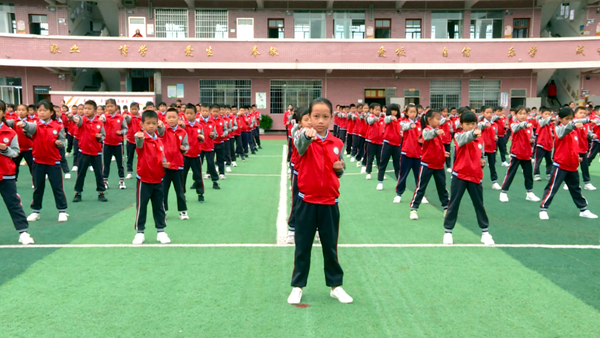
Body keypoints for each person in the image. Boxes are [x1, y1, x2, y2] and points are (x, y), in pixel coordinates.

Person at [288, 97, 352, 305]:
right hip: (306, 202)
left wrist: (340, 169)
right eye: (316, 116)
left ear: (331, 118)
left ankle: (336, 287)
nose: (321, 121)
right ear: (309, 118)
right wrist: (307, 135)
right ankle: (298, 286)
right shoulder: (303, 137)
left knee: (330, 247)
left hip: (330, 203)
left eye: (325, 117)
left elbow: (340, 170)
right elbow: (299, 144)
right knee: (302, 246)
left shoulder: (337, 143)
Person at [443, 111, 494, 245]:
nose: (471, 126)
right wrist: (473, 133)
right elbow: (465, 138)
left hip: (475, 176)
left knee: (479, 205)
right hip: (459, 175)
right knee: (454, 203)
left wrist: (482, 161)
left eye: (473, 124)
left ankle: (485, 232)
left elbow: (482, 155)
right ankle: (448, 232)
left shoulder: (480, 139)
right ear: (461, 125)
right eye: (467, 124)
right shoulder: (459, 136)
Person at [539, 107, 598, 220]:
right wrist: (579, 122)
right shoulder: (558, 129)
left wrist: (576, 158)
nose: (569, 121)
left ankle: (583, 209)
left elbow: (573, 147)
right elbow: (564, 132)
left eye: (571, 119)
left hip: (572, 165)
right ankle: (543, 209)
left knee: (576, 188)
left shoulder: (574, 132)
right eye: (567, 119)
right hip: (560, 165)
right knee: (552, 188)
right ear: (560, 119)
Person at [17, 100, 69, 223]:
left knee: (57, 187)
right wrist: (23, 125)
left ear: (51, 112)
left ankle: (62, 211)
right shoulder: (35, 125)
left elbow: (63, 142)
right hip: (38, 162)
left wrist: (60, 143)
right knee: (38, 187)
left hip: (54, 162)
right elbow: (29, 127)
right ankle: (36, 211)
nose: (41, 113)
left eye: (44, 110)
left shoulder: (58, 127)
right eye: (39, 110)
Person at [132, 110, 171, 245]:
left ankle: (161, 231)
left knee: (159, 206)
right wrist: (138, 136)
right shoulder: (142, 139)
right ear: (142, 124)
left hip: (158, 179)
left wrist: (164, 164)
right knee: (142, 206)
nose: (151, 126)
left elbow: (162, 156)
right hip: (144, 179)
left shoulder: (159, 141)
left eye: (154, 123)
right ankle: (140, 232)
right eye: (148, 123)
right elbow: (138, 142)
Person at [0, 100, 34, 245]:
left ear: (3, 113)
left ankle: (23, 232)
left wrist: (5, 149)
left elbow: (15, 153)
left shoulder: (10, 132)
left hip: (6, 174)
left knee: (13, 203)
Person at [409, 109, 449, 220]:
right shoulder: (427, 130)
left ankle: (446, 208)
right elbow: (427, 137)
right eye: (437, 119)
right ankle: (414, 209)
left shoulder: (437, 131)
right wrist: (436, 132)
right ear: (429, 119)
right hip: (427, 164)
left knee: (442, 188)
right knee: (421, 187)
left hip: (439, 164)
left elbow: (437, 147)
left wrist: (443, 153)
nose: (439, 121)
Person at [499, 106, 540, 203]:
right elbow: (517, 128)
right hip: (516, 153)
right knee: (511, 173)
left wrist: (532, 140)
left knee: (528, 174)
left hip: (526, 154)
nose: (522, 115)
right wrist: (525, 124)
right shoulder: (514, 124)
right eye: (520, 113)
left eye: (524, 113)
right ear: (516, 115)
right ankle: (503, 192)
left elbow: (532, 137)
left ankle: (529, 193)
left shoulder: (529, 126)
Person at [70, 100, 107, 203]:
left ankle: (101, 192)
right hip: (84, 151)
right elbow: (76, 120)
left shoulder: (99, 123)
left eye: (89, 108)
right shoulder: (81, 121)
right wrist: (72, 117)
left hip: (96, 152)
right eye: (85, 108)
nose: (86, 110)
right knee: (81, 173)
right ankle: (78, 193)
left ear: (95, 110)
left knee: (99, 173)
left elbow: (103, 135)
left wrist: (100, 137)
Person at [158, 108, 190, 220]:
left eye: (174, 117)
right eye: (169, 117)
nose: (171, 119)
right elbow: (159, 130)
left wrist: (184, 149)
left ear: (179, 118)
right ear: (165, 119)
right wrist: (159, 125)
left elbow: (186, 145)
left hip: (178, 165)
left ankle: (183, 211)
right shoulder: (163, 130)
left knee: (180, 190)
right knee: (163, 191)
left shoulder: (183, 132)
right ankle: (163, 212)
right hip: (165, 166)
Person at [100, 99, 127, 190]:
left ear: (116, 107)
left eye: (111, 106)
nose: (110, 108)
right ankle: (105, 181)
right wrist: (101, 119)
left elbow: (126, 128)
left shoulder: (120, 118)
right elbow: (100, 121)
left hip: (118, 144)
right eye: (108, 106)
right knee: (106, 163)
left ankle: (121, 181)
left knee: (120, 163)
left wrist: (122, 132)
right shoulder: (104, 117)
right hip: (107, 143)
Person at [376, 103, 401, 190]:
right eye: (392, 110)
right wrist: (391, 117)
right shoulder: (386, 118)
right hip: (387, 144)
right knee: (383, 163)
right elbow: (386, 120)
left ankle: (399, 183)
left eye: (396, 110)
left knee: (397, 165)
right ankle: (380, 182)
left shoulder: (399, 120)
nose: (394, 112)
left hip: (397, 145)